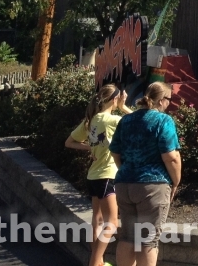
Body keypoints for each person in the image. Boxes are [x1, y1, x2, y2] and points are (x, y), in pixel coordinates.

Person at [110, 82, 181, 266]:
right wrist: (176, 182)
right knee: (148, 240)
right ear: (161, 101)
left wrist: (125, 169)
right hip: (152, 186)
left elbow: (115, 151)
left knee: (128, 236)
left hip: (124, 184)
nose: (169, 104)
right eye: (169, 100)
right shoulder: (163, 121)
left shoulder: (126, 120)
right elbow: (171, 157)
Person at [65, 84, 131, 266]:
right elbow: (138, 120)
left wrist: (89, 147)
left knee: (98, 219)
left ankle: (98, 260)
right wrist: (124, 107)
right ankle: (94, 262)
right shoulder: (111, 120)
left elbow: (69, 142)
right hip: (108, 175)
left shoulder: (91, 120)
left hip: (93, 176)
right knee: (112, 222)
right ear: (114, 99)